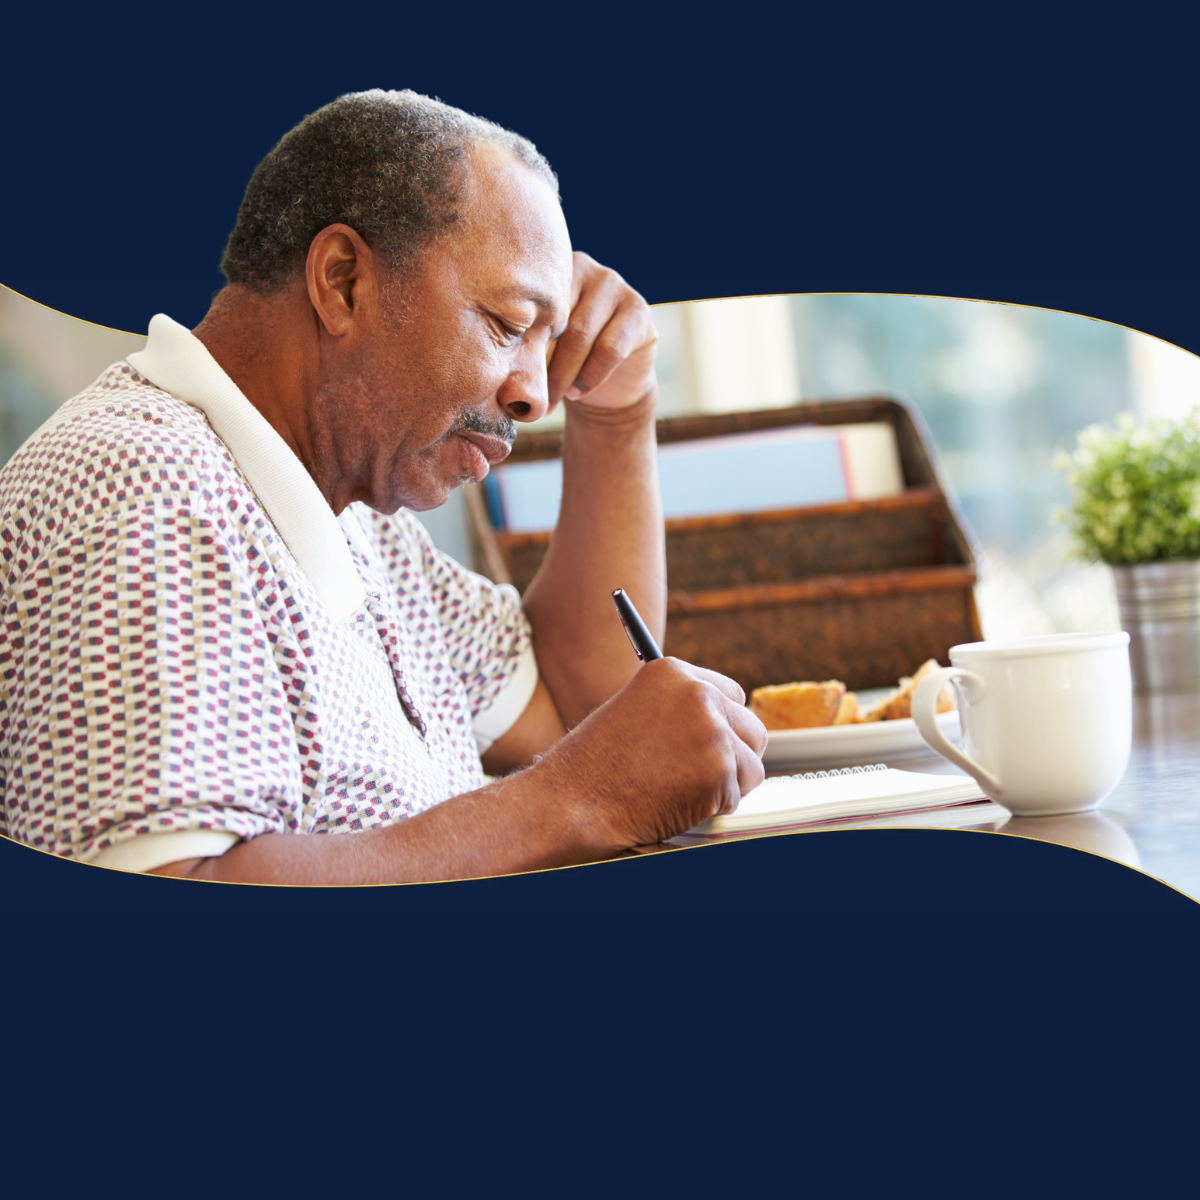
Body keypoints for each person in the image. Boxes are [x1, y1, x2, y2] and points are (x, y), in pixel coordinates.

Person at [0, 89, 766, 884]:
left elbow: (582, 715)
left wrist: (617, 409)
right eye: (507, 325)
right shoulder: (147, 492)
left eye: (549, 343)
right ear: (342, 282)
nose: (534, 396)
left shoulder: (361, 521)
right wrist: (580, 800)